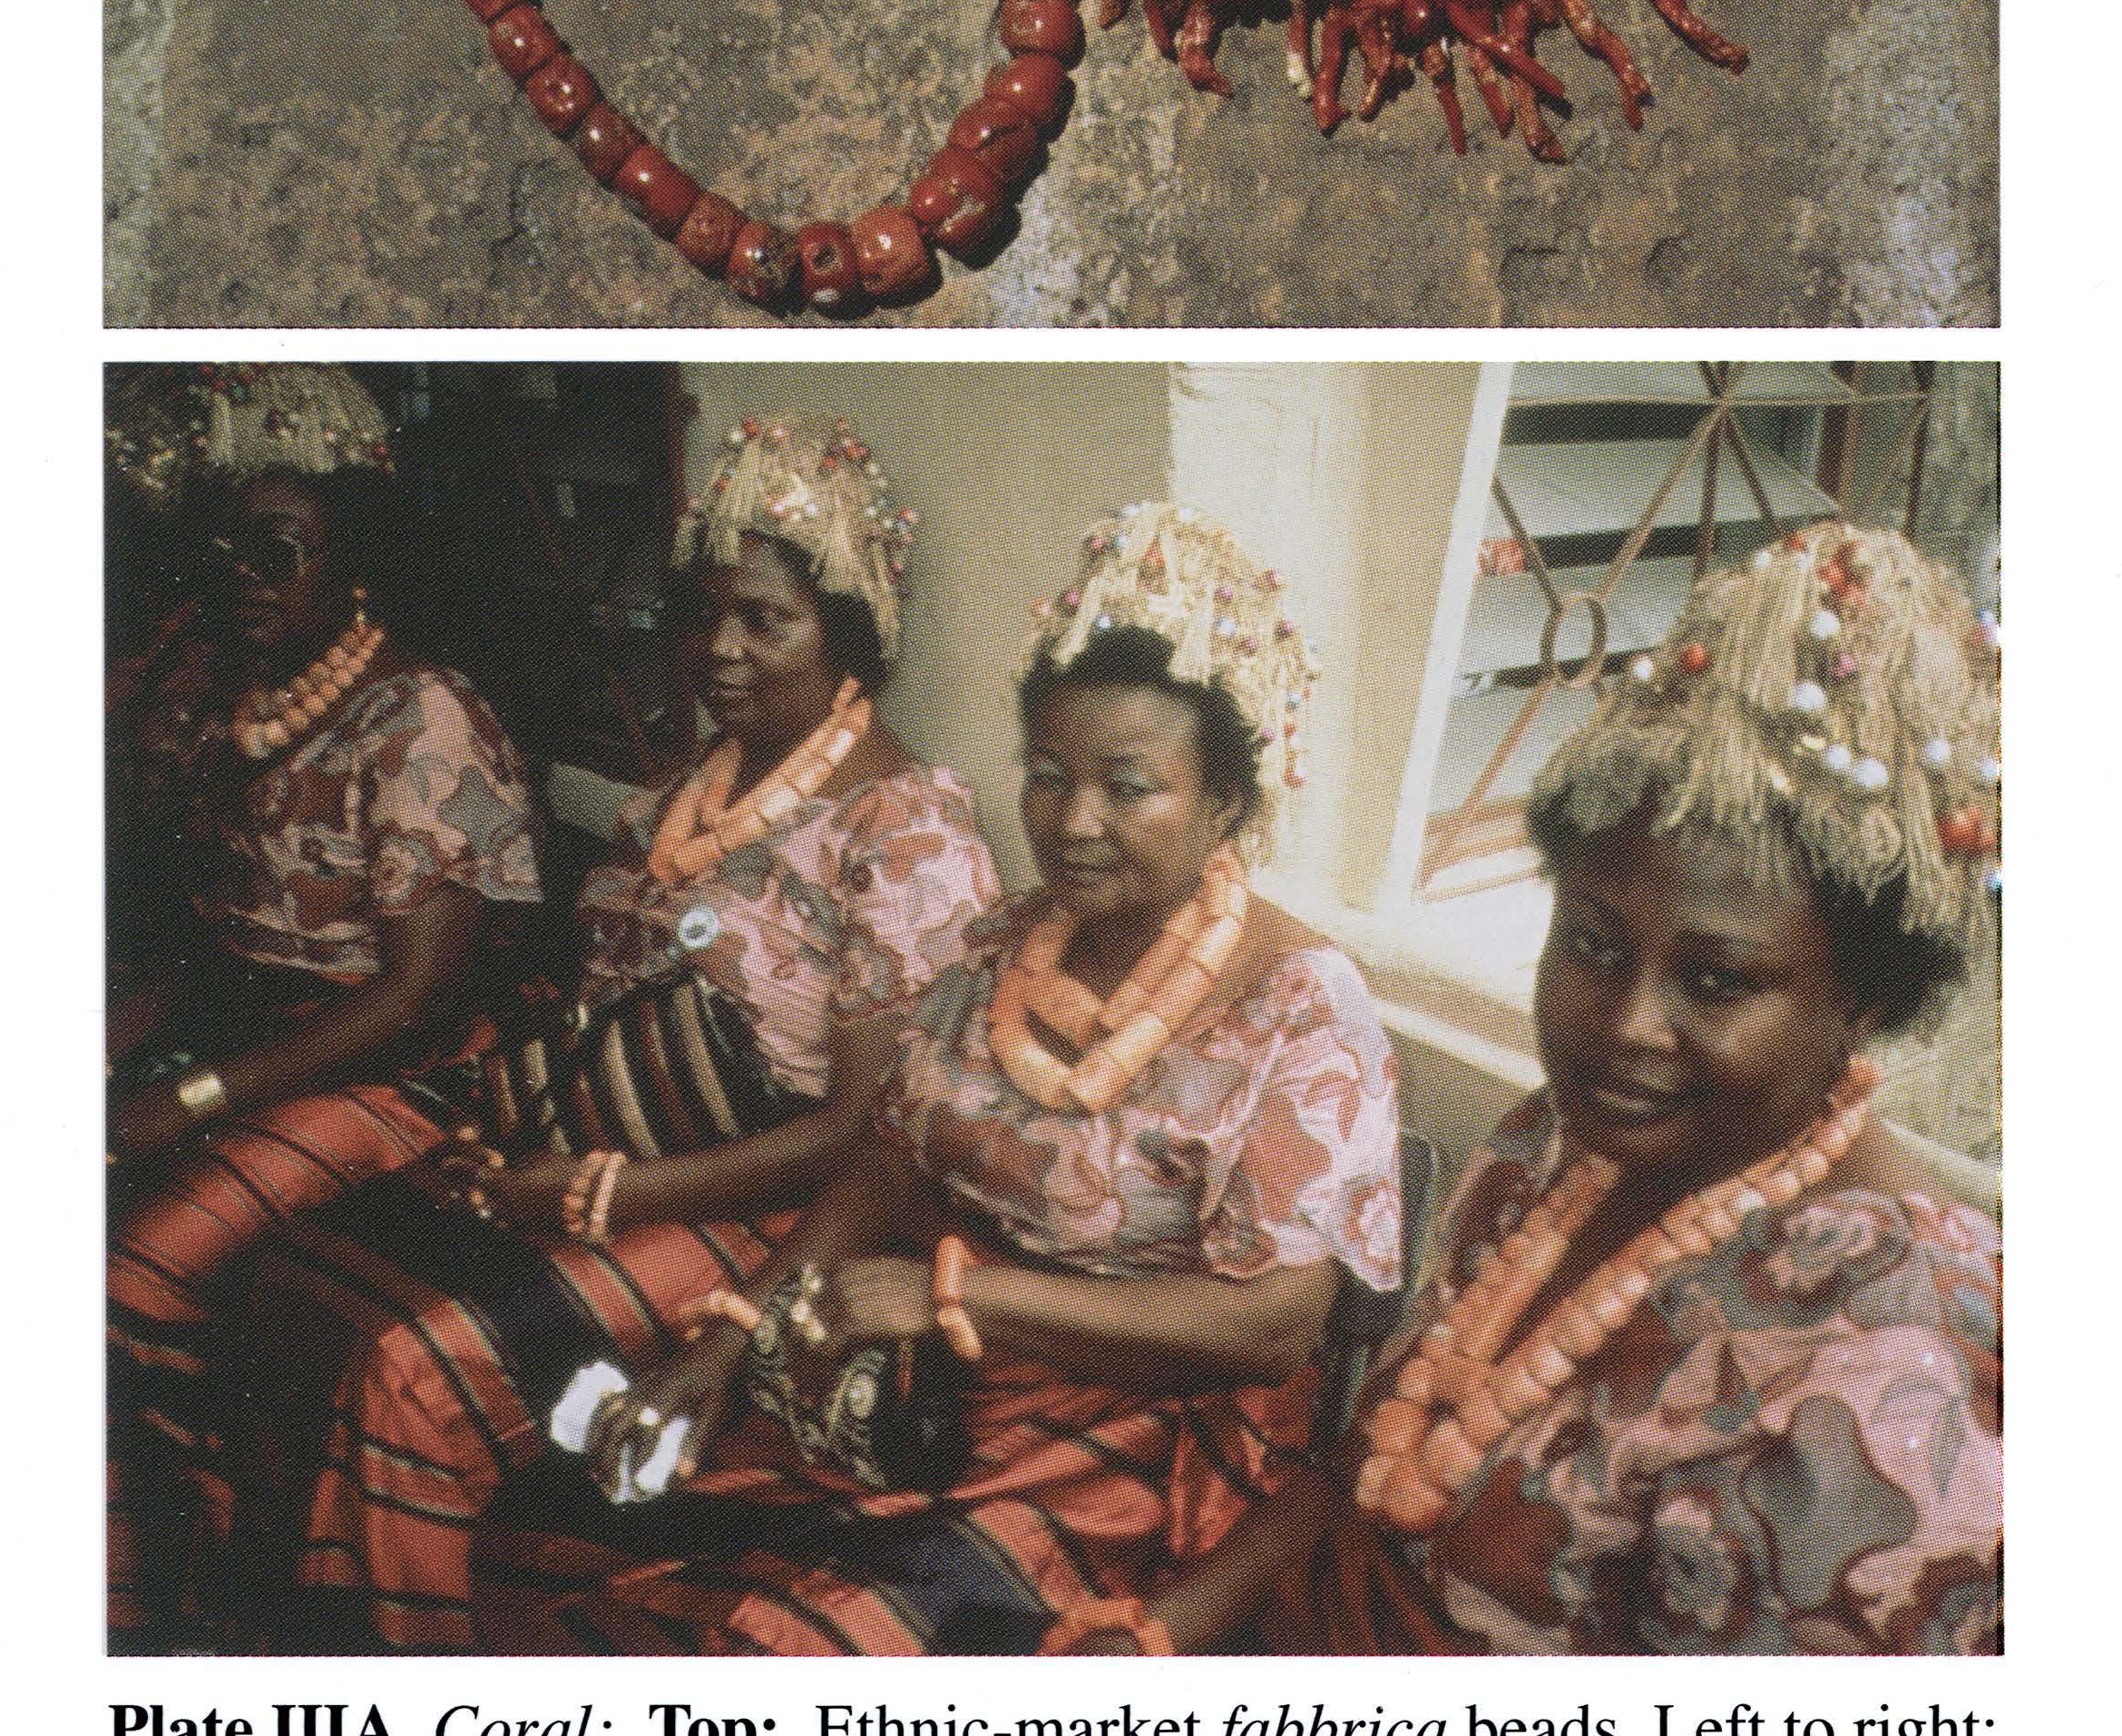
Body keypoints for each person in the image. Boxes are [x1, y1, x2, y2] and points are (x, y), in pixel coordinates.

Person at [482, 502, 1403, 1655]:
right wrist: (720, 1343)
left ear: (1225, 801)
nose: (1072, 821)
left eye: (1128, 786)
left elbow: (1272, 1325)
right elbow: (883, 1162)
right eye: (1048, 775)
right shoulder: (1004, 942)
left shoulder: (1303, 1004)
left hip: (1131, 1428)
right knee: (556, 1523)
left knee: (784, 1642)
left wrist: (958, 1295)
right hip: (918, 1374)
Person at [1073, 523, 2002, 1660]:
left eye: (1714, 981)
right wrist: (1158, 1634)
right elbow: (1366, 1472)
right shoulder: (1549, 1144)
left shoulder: (1899, 1360)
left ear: (1862, 997)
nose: (1624, 1025)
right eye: (1593, 945)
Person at [288, 414, 1000, 1649]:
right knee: (315, 1272)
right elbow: (597, 1010)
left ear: (850, 633)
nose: (718, 650)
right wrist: (532, 1144)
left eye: (763, 620)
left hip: (775, 1209)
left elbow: (862, 1133)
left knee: (407, 1365)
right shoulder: (686, 788)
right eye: (702, 613)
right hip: (615, 1166)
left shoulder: (906, 834)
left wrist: (607, 1197)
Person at [106, 365, 543, 1642]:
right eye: (228, 547)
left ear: (351, 563)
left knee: (132, 1269)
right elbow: (202, 935)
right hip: (261, 1044)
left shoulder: (425, 719)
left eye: (279, 550)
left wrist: (180, 1096)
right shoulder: (233, 703)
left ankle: (209, 1582)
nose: (243, 575)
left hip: (399, 1077)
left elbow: (414, 998)